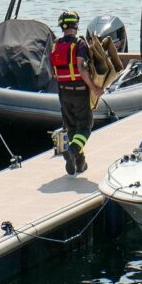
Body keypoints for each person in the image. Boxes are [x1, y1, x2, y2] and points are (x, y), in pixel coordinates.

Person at [49, 11, 104, 176]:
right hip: (79, 91)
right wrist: (94, 88)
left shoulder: (55, 45)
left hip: (63, 92)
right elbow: (81, 67)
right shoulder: (79, 44)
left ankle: (80, 163)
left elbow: (53, 72)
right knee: (85, 127)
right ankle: (72, 151)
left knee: (72, 128)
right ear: (76, 25)